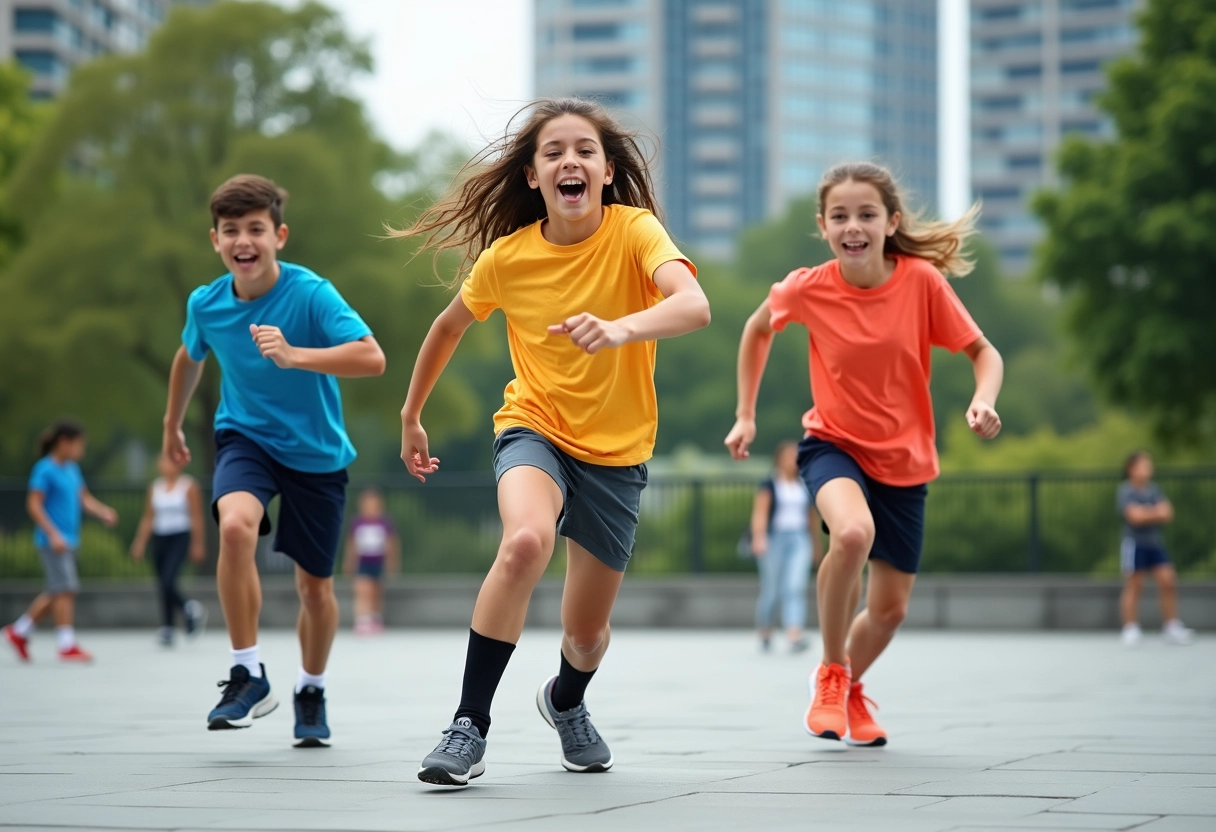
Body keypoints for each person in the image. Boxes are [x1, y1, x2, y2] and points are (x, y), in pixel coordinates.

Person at [392, 97, 710, 786]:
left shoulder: (635, 232)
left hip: (617, 454)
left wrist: (622, 327)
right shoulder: (508, 258)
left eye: (585, 150)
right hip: (532, 426)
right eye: (554, 152)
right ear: (534, 177)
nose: (571, 160)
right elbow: (449, 326)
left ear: (605, 169)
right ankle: (468, 726)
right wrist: (412, 412)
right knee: (525, 542)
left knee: (586, 634)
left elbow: (694, 305)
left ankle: (565, 700)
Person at [725, 161, 1004, 748]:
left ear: (890, 222)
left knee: (891, 610)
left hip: (906, 463)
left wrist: (983, 400)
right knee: (851, 535)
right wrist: (746, 413)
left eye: (867, 215)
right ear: (823, 226)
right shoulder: (808, 286)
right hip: (833, 445)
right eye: (840, 216)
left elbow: (984, 352)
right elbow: (757, 330)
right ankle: (829, 673)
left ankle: (850, 687)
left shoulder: (922, 282)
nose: (854, 226)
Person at [161, 174, 385, 747]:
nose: (244, 240)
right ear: (215, 241)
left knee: (315, 588)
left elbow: (372, 357)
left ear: (278, 235)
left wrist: (295, 355)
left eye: (256, 229)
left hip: (316, 453)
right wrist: (172, 424)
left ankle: (311, 689)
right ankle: (247, 672)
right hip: (245, 437)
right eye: (231, 230)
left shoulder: (311, 294)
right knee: (235, 527)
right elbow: (190, 358)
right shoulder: (206, 304)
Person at [5, 420, 118, 663]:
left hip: (70, 540)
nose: (81, 451)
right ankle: (66, 644)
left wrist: (103, 511)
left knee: (58, 590)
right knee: (66, 588)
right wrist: (53, 533)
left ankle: (19, 631)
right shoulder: (44, 469)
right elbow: (33, 505)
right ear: (64, 442)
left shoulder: (72, 469)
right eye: (79, 445)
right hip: (52, 540)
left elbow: (84, 499)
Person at [751, 441, 823, 653]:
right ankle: (765, 627)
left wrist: (816, 545)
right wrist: (759, 537)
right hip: (774, 539)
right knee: (771, 588)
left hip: (799, 539)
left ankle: (794, 632)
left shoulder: (804, 484)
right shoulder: (770, 484)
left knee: (794, 585)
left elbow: (812, 518)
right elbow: (761, 513)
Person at [130, 453, 208, 646]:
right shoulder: (155, 488)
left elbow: (197, 516)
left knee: (168, 579)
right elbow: (148, 517)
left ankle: (189, 608)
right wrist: (140, 542)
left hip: (180, 536)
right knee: (161, 583)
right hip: (160, 537)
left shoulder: (188, 486)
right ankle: (168, 626)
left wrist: (198, 543)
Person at [1117, 451, 1195, 646]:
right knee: (1135, 585)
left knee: (1168, 580)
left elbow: (1167, 513)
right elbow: (1134, 517)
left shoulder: (1154, 490)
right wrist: (1154, 512)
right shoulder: (1126, 491)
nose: (1148, 469)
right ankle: (1130, 628)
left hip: (1155, 543)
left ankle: (1171, 625)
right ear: (1131, 469)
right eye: (1144, 465)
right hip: (1135, 544)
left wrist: (1146, 513)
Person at [343, 488, 399, 635]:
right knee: (362, 590)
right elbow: (352, 545)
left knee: (376, 591)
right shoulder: (357, 523)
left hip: (378, 562)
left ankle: (375, 617)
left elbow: (391, 545)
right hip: (363, 562)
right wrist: (349, 563)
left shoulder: (385, 523)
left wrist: (392, 563)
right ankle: (362, 619)